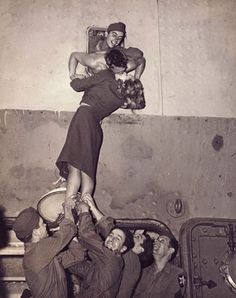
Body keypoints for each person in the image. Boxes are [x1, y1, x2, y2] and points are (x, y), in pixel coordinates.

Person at [56, 48, 128, 203]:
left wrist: (75, 77)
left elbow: (77, 86)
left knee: (75, 165)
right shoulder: (122, 96)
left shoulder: (104, 75)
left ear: (110, 65)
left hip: (84, 117)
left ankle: (68, 208)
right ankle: (85, 209)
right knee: (88, 169)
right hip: (96, 126)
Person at [12, 201, 86, 298]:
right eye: (42, 224)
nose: (46, 225)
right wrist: (67, 207)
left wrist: (69, 234)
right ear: (36, 233)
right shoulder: (38, 252)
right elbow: (69, 228)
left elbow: (78, 255)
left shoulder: (44, 257)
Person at [68, 193, 134, 298]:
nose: (111, 239)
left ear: (123, 249)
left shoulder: (111, 258)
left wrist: (85, 211)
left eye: (117, 238)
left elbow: (87, 236)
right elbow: (86, 270)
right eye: (111, 235)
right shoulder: (104, 263)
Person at [69, 22, 146, 80]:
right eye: (114, 35)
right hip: (96, 77)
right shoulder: (94, 46)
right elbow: (74, 55)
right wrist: (72, 75)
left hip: (111, 77)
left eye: (120, 38)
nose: (116, 40)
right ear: (106, 34)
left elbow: (140, 56)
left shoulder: (118, 50)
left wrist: (136, 79)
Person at [133, 229, 187, 298]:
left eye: (162, 241)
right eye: (156, 240)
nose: (156, 241)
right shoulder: (143, 272)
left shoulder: (178, 274)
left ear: (170, 250)